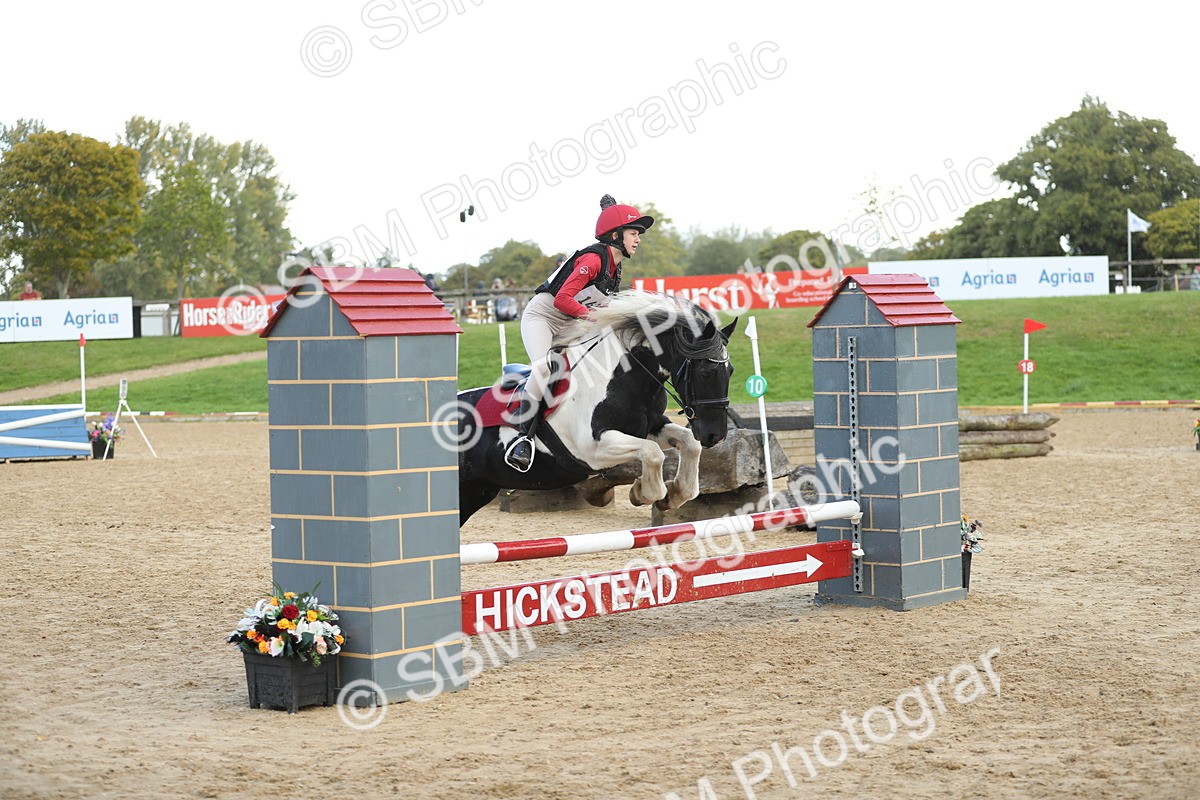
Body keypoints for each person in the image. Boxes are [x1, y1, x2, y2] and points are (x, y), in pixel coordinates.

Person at [503, 194, 653, 471]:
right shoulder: (593, 259)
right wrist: (596, 316)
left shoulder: (615, 267)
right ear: (617, 235)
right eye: (634, 233)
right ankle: (522, 438)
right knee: (545, 369)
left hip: (572, 322)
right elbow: (562, 300)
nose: (638, 239)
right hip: (544, 318)